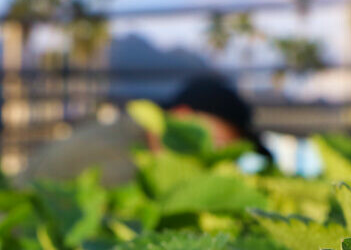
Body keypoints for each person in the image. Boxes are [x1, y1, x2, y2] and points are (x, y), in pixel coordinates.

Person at [16, 75, 270, 187]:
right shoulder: (119, 158)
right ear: (181, 118)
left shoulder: (130, 137)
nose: (222, 161)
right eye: (219, 145)